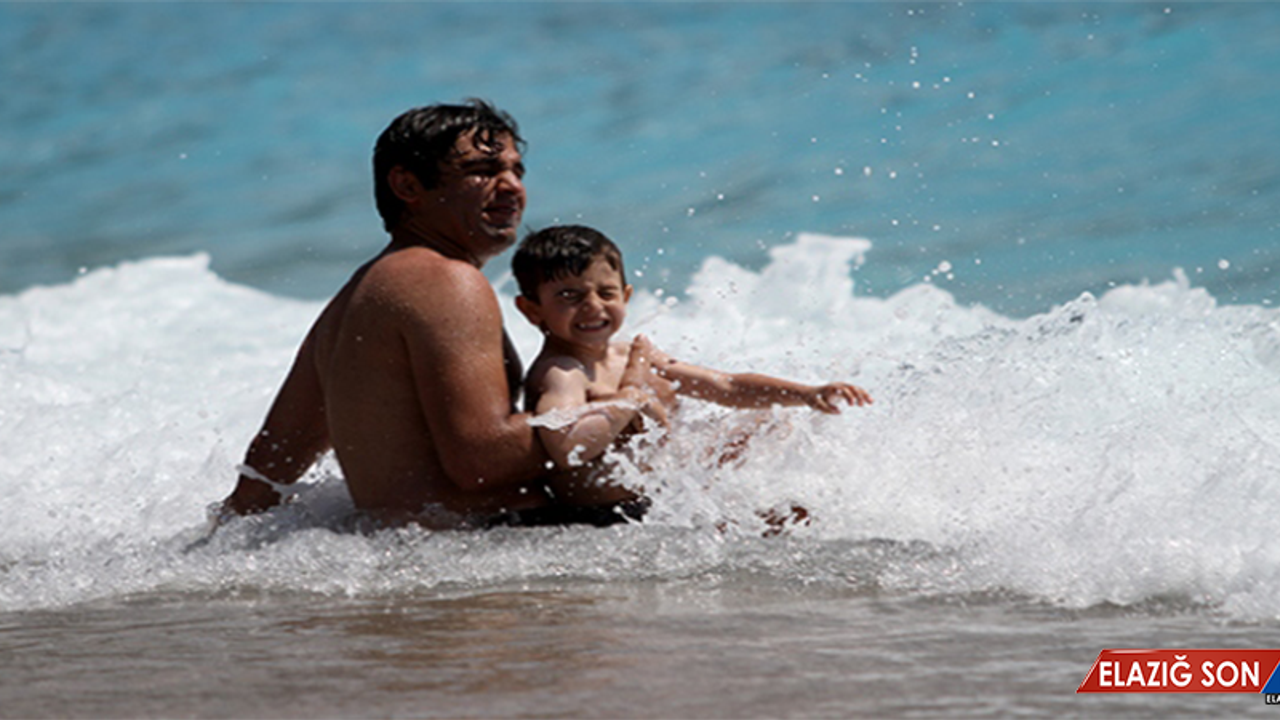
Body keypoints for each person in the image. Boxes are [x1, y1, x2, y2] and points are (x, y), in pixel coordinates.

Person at [218, 101, 669, 530]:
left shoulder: (359, 293)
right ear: (408, 186)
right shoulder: (445, 280)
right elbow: (482, 461)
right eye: (482, 171)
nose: (511, 187)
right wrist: (625, 403)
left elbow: (268, 469)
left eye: (516, 170)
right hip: (487, 541)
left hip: (409, 551)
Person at [511, 224, 873, 509]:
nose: (593, 306)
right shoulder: (563, 372)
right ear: (532, 310)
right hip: (612, 512)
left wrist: (807, 394)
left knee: (770, 424)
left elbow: (725, 387)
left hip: (663, 490)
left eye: (606, 293)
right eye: (569, 296)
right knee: (783, 518)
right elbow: (566, 446)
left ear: (626, 296)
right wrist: (631, 396)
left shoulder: (632, 354)